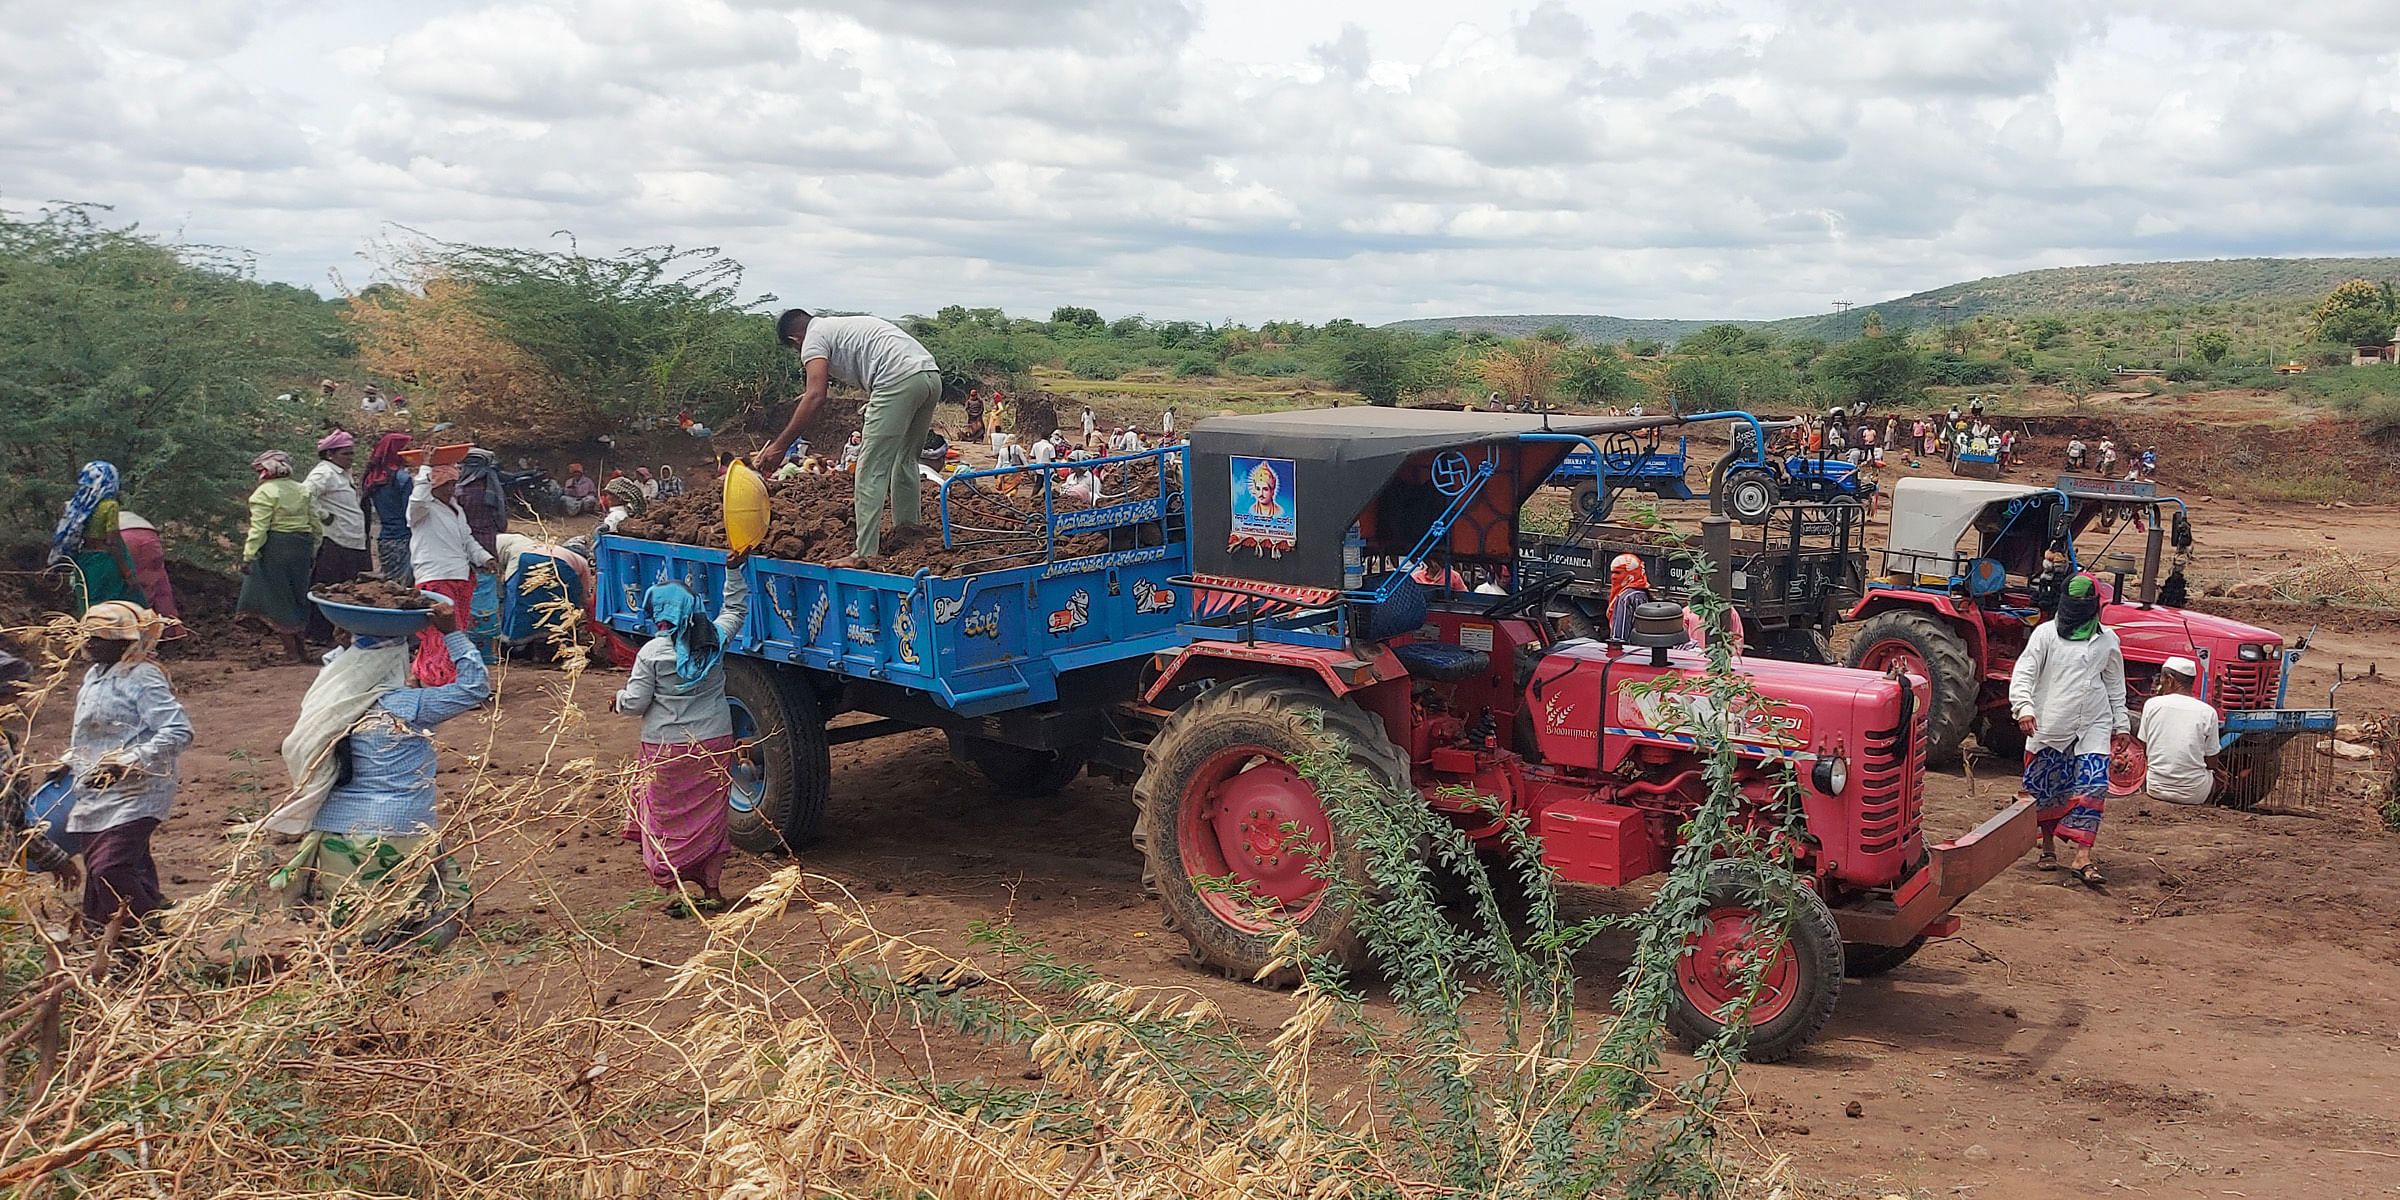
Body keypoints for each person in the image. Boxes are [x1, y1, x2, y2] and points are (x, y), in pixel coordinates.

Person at [267, 596, 486, 952]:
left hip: (335, 830)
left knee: (350, 924)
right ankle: (398, 960)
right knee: (440, 907)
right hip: (400, 829)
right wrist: (453, 635)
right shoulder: (405, 705)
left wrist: (347, 646)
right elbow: (475, 687)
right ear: (398, 661)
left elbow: (343, 673)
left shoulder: (328, 702)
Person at [755, 308, 943, 566]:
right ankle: (909, 535)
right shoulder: (835, 327)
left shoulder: (812, 339)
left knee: (869, 470)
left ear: (794, 340)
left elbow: (816, 396)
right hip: (929, 376)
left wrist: (779, 446)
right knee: (905, 460)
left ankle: (864, 553)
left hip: (896, 380)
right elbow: (811, 393)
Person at [615, 568, 752, 913]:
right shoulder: (713, 641)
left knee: (665, 820)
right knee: (711, 819)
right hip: (714, 742)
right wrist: (734, 570)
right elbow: (735, 610)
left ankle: (675, 891)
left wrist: (616, 701)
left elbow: (634, 704)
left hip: (665, 749)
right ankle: (713, 890)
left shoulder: (651, 654)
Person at [58, 603, 192, 934]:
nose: (88, 644)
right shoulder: (94, 676)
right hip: (95, 788)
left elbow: (178, 731)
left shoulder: (142, 676)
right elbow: (89, 734)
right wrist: (67, 763)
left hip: (139, 791)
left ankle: (147, 939)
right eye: (87, 637)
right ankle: (110, 942)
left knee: (109, 868)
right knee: (113, 866)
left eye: (99, 639)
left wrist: (128, 763)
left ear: (125, 643)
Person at [2007, 573, 2129, 888]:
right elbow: (2024, 673)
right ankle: (2047, 847)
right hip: (2050, 723)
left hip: (2094, 722)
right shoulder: (2045, 635)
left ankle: (2082, 856)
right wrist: (2024, 708)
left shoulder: (2107, 639)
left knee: (2094, 783)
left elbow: (2115, 683)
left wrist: (2122, 723)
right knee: (2048, 789)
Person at [409, 461, 494, 686]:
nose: (451, 490)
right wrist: (425, 468)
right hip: (434, 575)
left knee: (447, 630)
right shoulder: (422, 509)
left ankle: (423, 674)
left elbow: (466, 540)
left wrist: (485, 558)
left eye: (453, 484)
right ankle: (447, 682)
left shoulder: (456, 509)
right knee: (444, 632)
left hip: (458, 575)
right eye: (446, 484)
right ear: (432, 485)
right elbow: (417, 501)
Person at [0, 650, 79, 891]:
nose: (19, 700)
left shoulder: (7, 741)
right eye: (11, 693)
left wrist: (52, 856)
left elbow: (13, 818)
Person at [237, 450, 319, 662]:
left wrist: (248, 556)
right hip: (301, 546)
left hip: (276, 548)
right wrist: (313, 548)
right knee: (297, 595)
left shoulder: (264, 493)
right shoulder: (302, 490)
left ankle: (291, 653)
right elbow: (315, 522)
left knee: (278, 598)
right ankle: (301, 650)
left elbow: (259, 528)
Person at [48, 461, 143, 616]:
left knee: (88, 605)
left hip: (84, 561)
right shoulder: (109, 506)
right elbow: (114, 543)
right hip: (105, 564)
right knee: (118, 607)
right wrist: (128, 574)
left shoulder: (76, 506)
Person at [305, 431, 371, 645]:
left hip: (352, 539)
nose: (351, 457)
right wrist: (323, 516)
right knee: (330, 588)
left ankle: (346, 633)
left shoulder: (343, 473)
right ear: (330, 454)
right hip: (336, 540)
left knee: (351, 588)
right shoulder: (324, 473)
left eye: (352, 453)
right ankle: (321, 635)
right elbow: (305, 494)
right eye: (346, 453)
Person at [2138, 657, 2218, 807]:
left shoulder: (2151, 705)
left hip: (2155, 788)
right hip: (2195, 795)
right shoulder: (2208, 712)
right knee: (2213, 777)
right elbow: (2211, 762)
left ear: (2170, 680)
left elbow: (2144, 749)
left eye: (2161, 679)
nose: (2160, 683)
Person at [111, 511, 186, 639]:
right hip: (150, 538)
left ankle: (133, 634)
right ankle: (172, 631)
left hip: (124, 539)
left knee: (126, 587)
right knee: (159, 584)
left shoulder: (93, 521)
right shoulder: (127, 516)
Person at [362, 433, 416, 583]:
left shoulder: (372, 479)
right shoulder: (402, 479)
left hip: (385, 539)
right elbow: (411, 513)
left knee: (391, 587)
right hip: (404, 539)